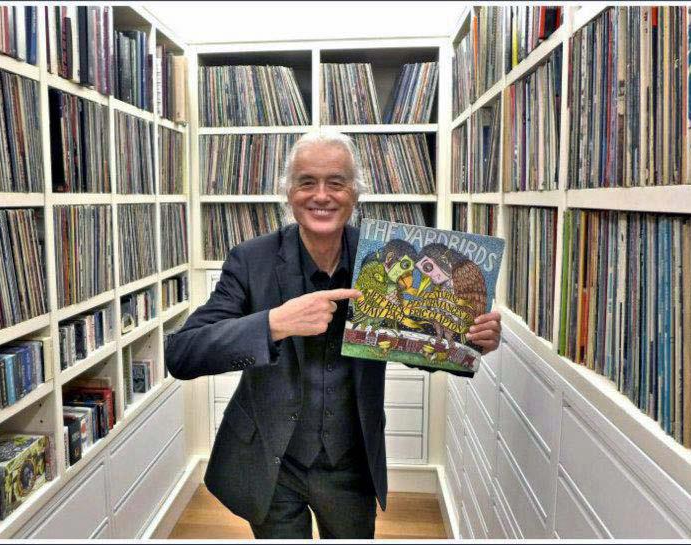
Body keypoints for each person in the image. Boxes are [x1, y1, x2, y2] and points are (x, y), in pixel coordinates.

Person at [164, 131, 502, 538]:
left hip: (350, 466)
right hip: (271, 463)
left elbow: (419, 340)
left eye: (336, 183)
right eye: (307, 182)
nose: (321, 195)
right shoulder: (251, 260)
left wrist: (472, 340)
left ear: (355, 193)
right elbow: (181, 353)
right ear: (289, 193)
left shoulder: (383, 258)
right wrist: (274, 323)